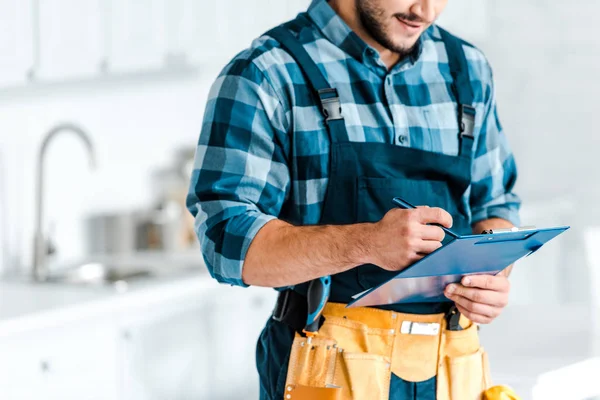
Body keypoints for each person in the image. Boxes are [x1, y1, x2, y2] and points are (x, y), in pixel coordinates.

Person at [187, 0, 521, 398]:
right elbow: (226, 242)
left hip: (453, 368)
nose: (426, 10)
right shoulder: (267, 73)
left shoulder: (467, 68)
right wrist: (365, 243)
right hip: (326, 369)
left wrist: (492, 275)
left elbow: (494, 203)